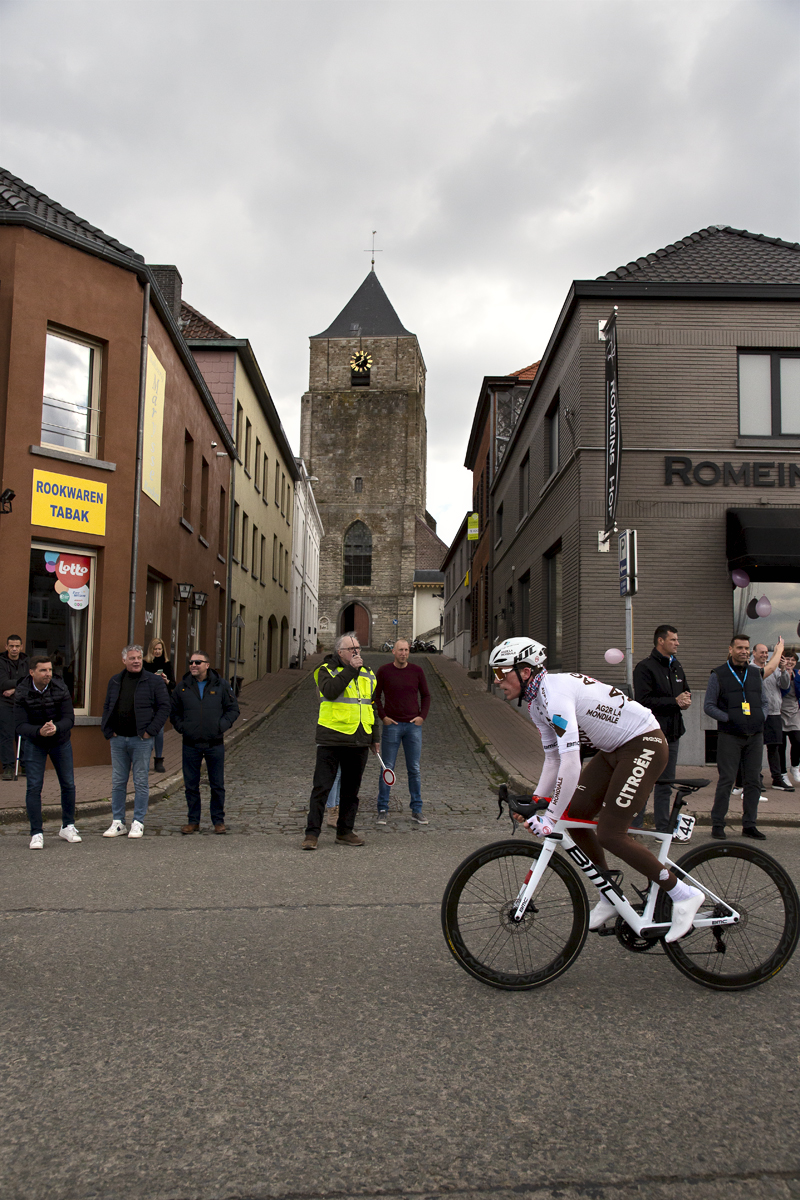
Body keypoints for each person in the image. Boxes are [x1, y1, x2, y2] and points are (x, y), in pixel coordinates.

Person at [489, 637, 704, 944]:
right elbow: (553, 758)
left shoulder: (554, 695)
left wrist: (549, 817)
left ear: (524, 672)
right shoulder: (537, 704)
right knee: (575, 813)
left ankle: (682, 894)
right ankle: (610, 893)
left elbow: (571, 763)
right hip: (615, 748)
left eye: (501, 673)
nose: (497, 681)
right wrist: (537, 799)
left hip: (645, 743)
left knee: (610, 832)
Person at [301, 631, 380, 850]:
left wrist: (375, 737)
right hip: (332, 738)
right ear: (340, 652)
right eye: (352, 649)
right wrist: (351, 670)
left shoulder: (368, 673)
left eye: (358, 649)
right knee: (322, 787)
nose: (356, 652)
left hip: (359, 738)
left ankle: (345, 831)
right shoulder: (325, 670)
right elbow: (331, 691)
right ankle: (312, 834)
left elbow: (370, 705)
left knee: (351, 791)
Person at [703, 633, 783, 841]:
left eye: (746, 648)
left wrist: (760, 716)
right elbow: (708, 706)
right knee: (727, 780)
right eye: (740, 648)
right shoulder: (719, 674)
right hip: (730, 735)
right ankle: (718, 824)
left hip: (755, 735)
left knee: (753, 781)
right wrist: (729, 718)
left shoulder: (755, 674)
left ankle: (749, 825)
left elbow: (764, 702)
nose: (744, 652)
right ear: (730, 649)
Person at [101, 644, 170, 839]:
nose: (136, 661)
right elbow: (107, 706)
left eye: (139, 657)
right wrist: (108, 730)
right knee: (118, 782)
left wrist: (150, 731)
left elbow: (164, 708)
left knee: (140, 781)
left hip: (141, 740)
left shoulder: (153, 681)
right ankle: (118, 821)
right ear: (124, 660)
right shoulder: (115, 681)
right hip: (118, 739)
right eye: (132, 658)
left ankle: (138, 822)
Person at [170, 650, 239, 834]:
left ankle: (218, 821)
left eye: (197, 662)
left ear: (207, 665)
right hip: (190, 743)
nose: (193, 665)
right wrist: (182, 727)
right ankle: (193, 821)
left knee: (217, 784)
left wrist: (221, 726)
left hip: (214, 743)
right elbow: (173, 710)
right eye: (191, 662)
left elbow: (233, 709)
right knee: (191, 785)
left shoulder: (221, 685)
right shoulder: (183, 686)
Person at [15, 656, 79, 849]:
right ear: (32, 672)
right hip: (35, 743)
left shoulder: (60, 688)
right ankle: (36, 833)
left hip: (60, 741)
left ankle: (68, 826)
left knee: (68, 784)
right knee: (34, 787)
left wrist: (56, 728)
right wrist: (38, 732)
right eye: (43, 670)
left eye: (50, 670)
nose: (48, 674)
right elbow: (19, 725)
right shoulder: (22, 691)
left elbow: (69, 718)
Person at [632, 624, 692, 831]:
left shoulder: (676, 666)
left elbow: (685, 691)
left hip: (673, 733)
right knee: (644, 783)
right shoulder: (645, 668)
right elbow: (643, 700)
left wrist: (685, 700)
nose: (677, 643)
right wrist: (675, 701)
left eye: (677, 639)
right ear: (661, 641)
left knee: (665, 784)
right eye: (673, 639)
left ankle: (662, 828)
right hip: (652, 735)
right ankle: (634, 828)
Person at [375, 638, 431, 825]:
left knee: (414, 769)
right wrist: (383, 717)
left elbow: (426, 695)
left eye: (406, 650)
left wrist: (422, 716)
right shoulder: (384, 671)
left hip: (412, 726)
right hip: (392, 726)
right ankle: (382, 808)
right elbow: (375, 697)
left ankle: (417, 809)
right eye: (400, 650)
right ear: (393, 651)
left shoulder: (417, 671)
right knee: (387, 767)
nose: (403, 653)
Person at [757, 643, 794, 792]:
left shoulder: (776, 669)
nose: (764, 655)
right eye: (761, 652)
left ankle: (777, 779)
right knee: (757, 748)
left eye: (766, 653)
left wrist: (784, 669)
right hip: (758, 714)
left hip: (774, 713)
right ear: (754, 653)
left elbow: (785, 686)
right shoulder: (752, 669)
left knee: (775, 748)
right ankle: (756, 779)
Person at [143, 636, 175, 773]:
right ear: (151, 650)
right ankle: (144, 759)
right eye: (155, 649)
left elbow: (174, 684)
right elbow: (142, 682)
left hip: (162, 701)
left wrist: (166, 680)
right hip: (148, 701)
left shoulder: (167, 664)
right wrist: (153, 678)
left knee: (160, 731)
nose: (157, 651)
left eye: (159, 649)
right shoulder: (146, 664)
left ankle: (159, 759)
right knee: (148, 729)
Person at [0, 634, 29, 780]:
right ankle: (8, 768)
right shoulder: (1, 661)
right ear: (6, 647)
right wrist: (20, 684)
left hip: (22, 702)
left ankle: (24, 765)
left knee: (23, 734)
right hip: (5, 704)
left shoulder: (26, 661)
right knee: (7, 735)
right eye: (11, 646)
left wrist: (14, 689)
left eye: (17, 646)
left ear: (21, 647)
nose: (14, 649)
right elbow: (3, 683)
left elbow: (30, 681)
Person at [779, 650, 800, 784]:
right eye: (788, 659)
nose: (790, 662)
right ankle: (782, 774)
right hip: (779, 712)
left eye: (793, 660)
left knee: (798, 741)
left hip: (794, 712)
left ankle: (795, 767)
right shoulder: (778, 673)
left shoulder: (798, 675)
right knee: (781, 746)